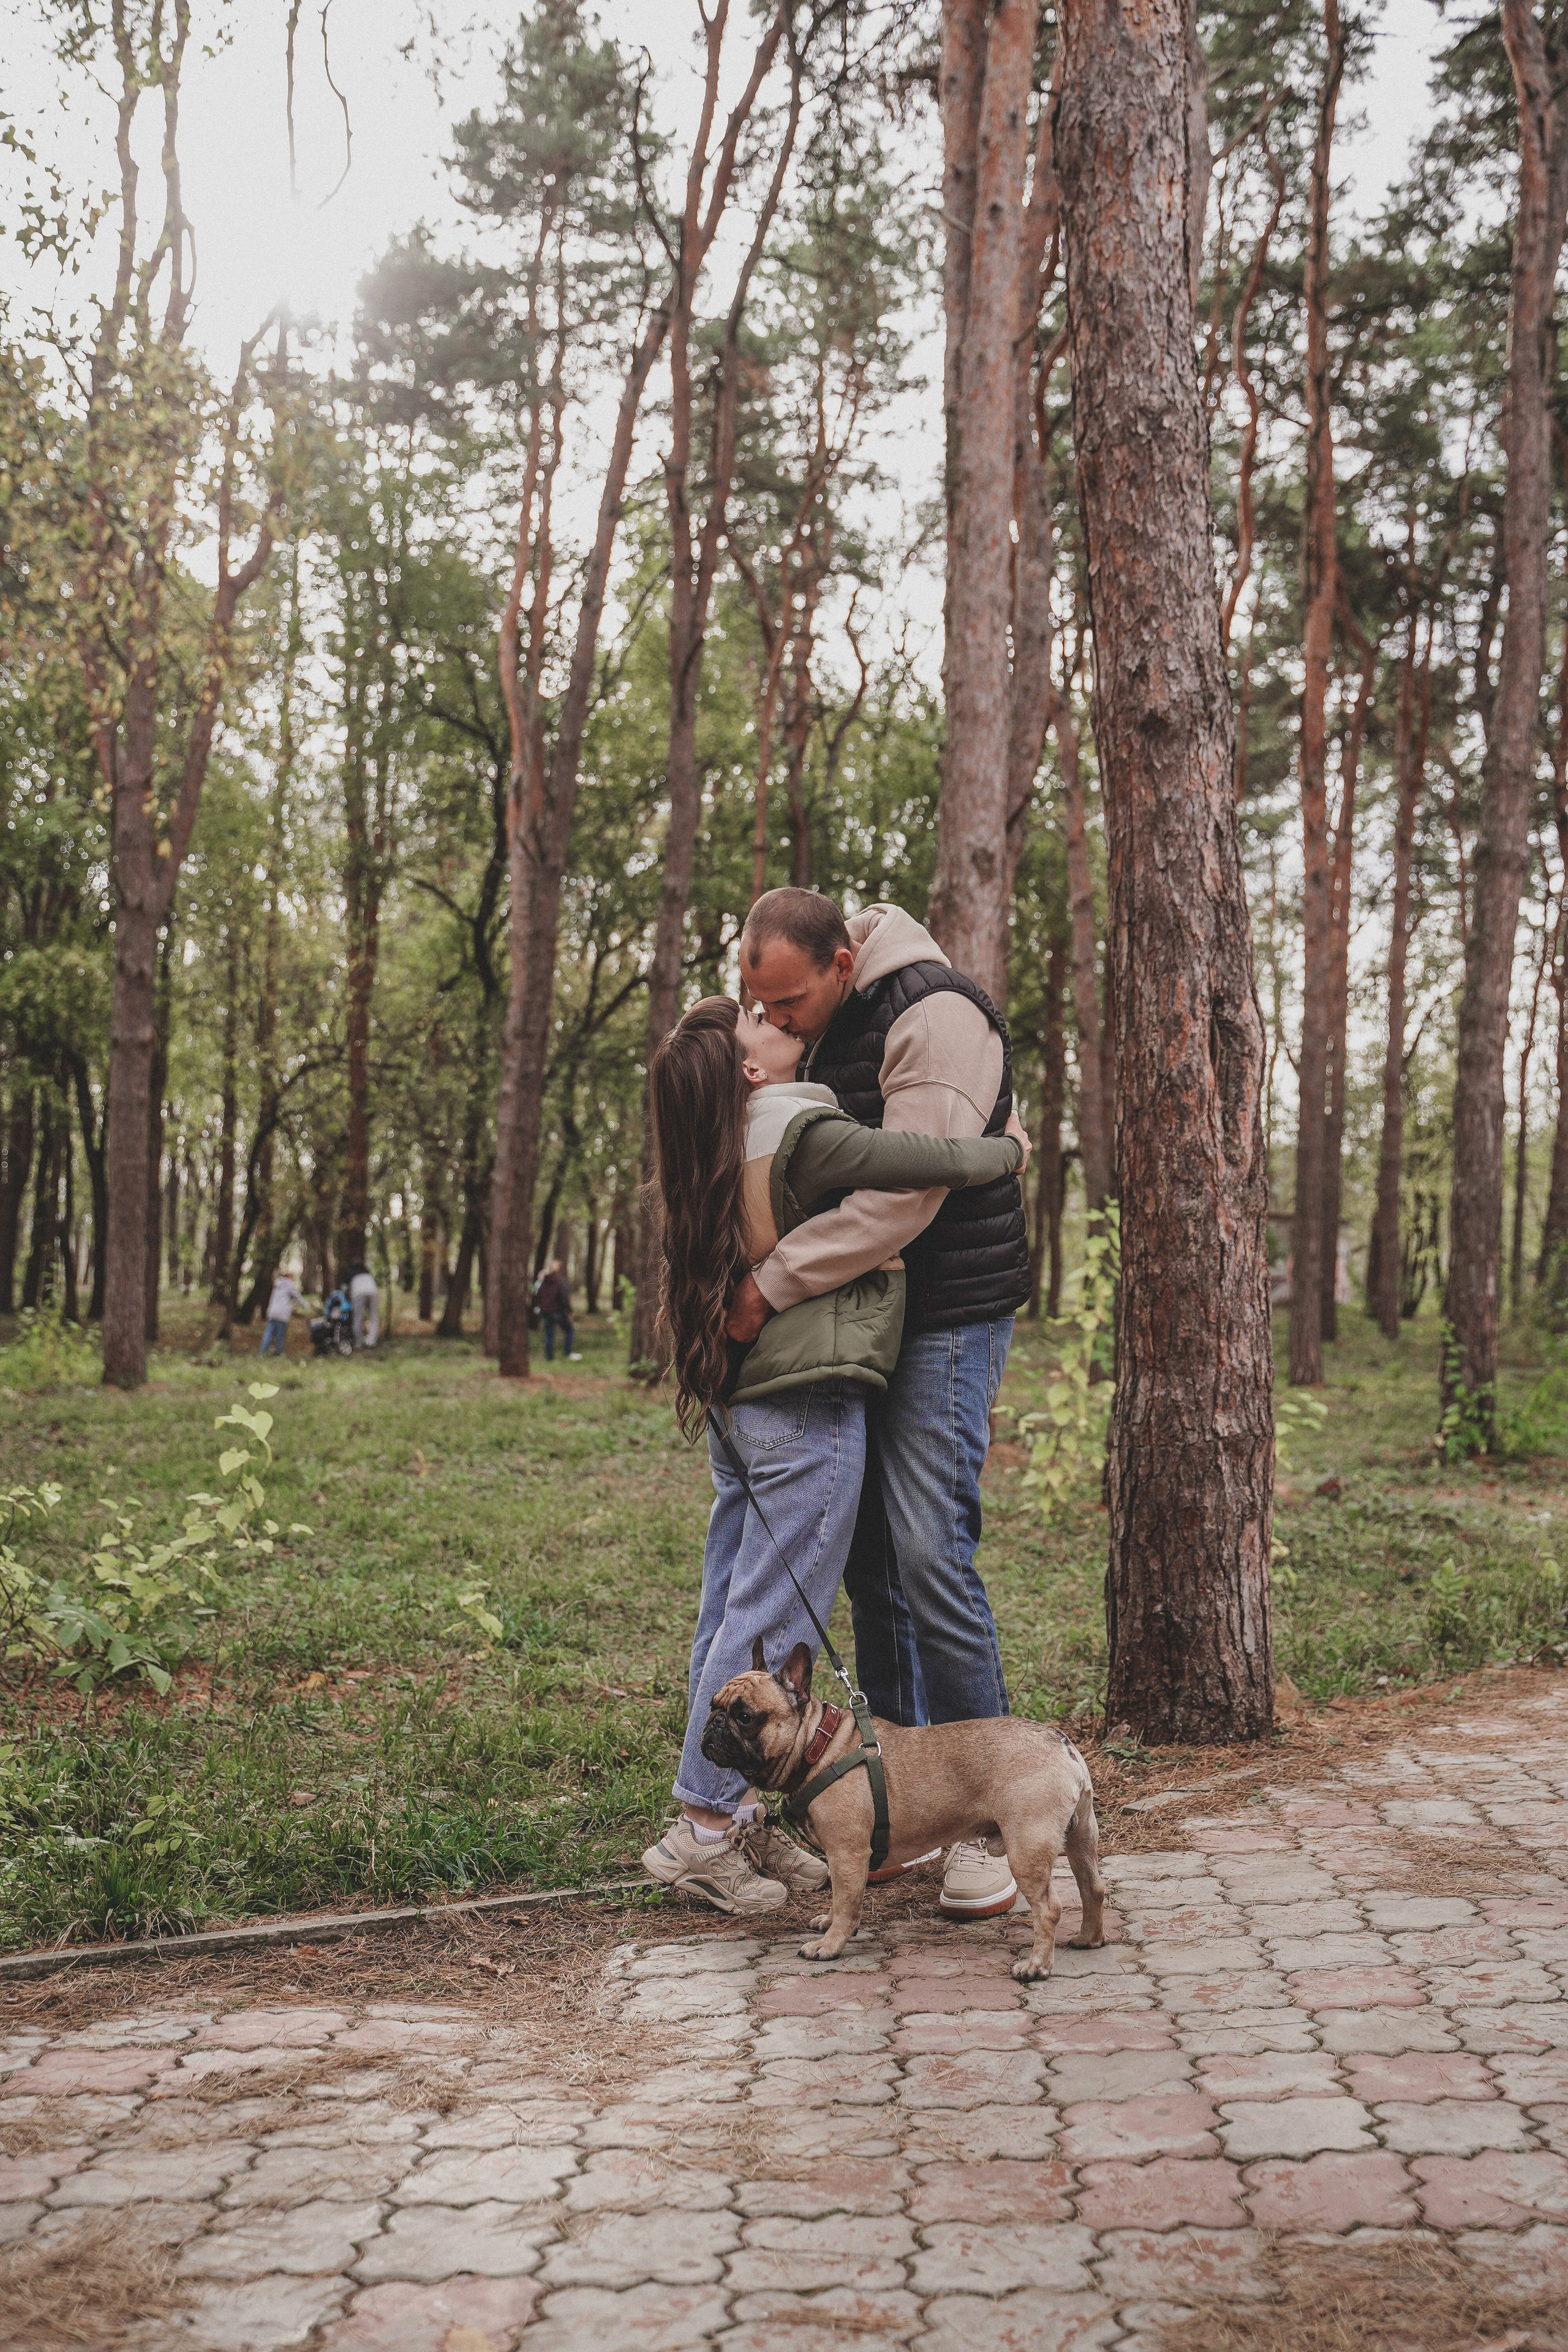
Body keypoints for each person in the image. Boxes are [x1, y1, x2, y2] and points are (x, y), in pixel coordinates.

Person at [639, 993, 1026, 1917]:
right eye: (762, 1023)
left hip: (747, 1409)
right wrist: (1008, 1146)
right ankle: (703, 1828)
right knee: (769, 1624)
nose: (783, 1023)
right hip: (800, 1411)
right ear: (749, 1069)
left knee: (727, 1608)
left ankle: (725, 1819)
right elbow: (920, 1160)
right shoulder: (797, 1130)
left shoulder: (709, 1148)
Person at [734, 889, 1033, 1923]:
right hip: (863, 1314)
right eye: (754, 1003)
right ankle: (907, 1805)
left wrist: (770, 1285)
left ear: (842, 963)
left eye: (787, 1003)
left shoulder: (933, 1015)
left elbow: (906, 1193)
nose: (772, 1023)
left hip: (947, 1312)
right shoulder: (814, 1019)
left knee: (927, 1552)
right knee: (869, 1562)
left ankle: (989, 1819)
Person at [535, 1262, 581, 1361]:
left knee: (549, 1335)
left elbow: (538, 1295)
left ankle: (549, 1357)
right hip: (558, 1312)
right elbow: (565, 1297)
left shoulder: (544, 1281)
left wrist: (542, 1307)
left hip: (546, 1312)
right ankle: (568, 1353)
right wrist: (569, 1311)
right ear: (559, 1269)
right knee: (569, 1330)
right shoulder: (561, 1281)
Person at [260, 1267, 306, 1358]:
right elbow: (297, 1297)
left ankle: (263, 1352)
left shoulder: (277, 1285)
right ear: (290, 1277)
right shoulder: (289, 1285)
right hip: (282, 1314)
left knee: (268, 1333)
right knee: (280, 1334)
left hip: (272, 1312)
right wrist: (306, 1305)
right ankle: (279, 1352)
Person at [346, 1260, 379, 1350]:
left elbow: (345, 1289)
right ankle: (371, 1341)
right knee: (374, 1317)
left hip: (358, 1294)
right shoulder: (368, 1274)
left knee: (358, 1318)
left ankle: (358, 1343)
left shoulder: (351, 1275)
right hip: (372, 1292)